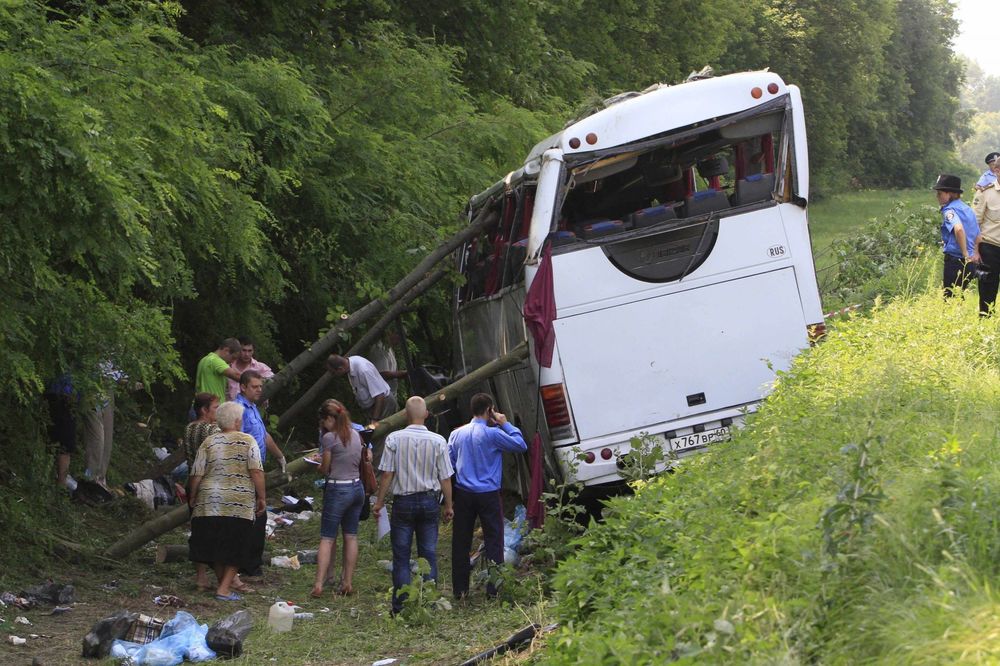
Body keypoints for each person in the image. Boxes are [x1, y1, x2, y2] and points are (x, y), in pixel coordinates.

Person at [373, 396, 454, 615]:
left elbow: (388, 473)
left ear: (406, 415)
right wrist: (448, 505)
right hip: (429, 500)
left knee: (400, 556)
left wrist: (379, 502)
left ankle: (400, 607)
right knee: (428, 553)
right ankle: (428, 603)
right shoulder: (438, 441)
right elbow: (445, 477)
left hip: (403, 502)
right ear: (426, 414)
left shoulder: (394, 439)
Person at [449, 393, 527, 599]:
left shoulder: (457, 434)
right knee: (494, 539)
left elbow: (449, 462)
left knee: (461, 541)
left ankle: (460, 590)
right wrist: (506, 423)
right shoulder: (493, 434)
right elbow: (520, 445)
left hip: (464, 493)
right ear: (490, 410)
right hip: (489, 494)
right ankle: (494, 589)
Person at [187, 401, 265, 601]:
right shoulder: (247, 441)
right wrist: (262, 496)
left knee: (216, 544)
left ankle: (222, 585)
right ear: (238, 421)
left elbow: (197, 473)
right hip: (237, 502)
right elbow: (256, 470)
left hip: (209, 501)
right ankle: (223, 590)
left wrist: (193, 495)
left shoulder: (209, 442)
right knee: (237, 545)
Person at [311, 399, 368, 598]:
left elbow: (326, 468)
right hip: (357, 488)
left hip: (338, 489)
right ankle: (347, 581)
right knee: (350, 536)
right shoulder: (356, 435)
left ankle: (319, 583)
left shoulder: (329, 438)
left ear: (329, 419)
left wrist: (318, 464)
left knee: (327, 537)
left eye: (323, 421)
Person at [235, 370, 286, 577]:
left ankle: (250, 563)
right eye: (254, 387)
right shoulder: (238, 410)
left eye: (260, 387)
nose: (259, 390)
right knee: (254, 516)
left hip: (258, 467)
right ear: (243, 387)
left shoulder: (253, 408)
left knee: (258, 517)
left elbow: (264, 436)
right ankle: (246, 564)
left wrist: (280, 456)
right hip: (245, 470)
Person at [932, 174, 979, 297]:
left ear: (949, 194)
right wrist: (973, 253)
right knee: (959, 296)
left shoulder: (949, 211)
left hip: (956, 260)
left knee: (949, 297)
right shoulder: (968, 209)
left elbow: (958, 230)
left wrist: (964, 254)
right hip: (971, 263)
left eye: (940, 193)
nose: (937, 197)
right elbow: (978, 235)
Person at [82, 361, 125, 490]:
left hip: (107, 389)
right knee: (97, 437)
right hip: (93, 386)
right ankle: (90, 478)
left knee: (106, 438)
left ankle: (100, 479)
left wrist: (123, 375)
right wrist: (119, 377)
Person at [325, 354, 395, 423]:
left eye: (333, 373)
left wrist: (375, 419)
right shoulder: (349, 366)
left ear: (340, 369)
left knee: (382, 432)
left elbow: (380, 395)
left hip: (383, 404)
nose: (333, 375)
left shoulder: (363, 370)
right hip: (373, 407)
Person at [974, 159, 1000, 315]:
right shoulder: (985, 193)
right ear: (996, 171)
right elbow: (974, 224)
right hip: (990, 248)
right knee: (987, 291)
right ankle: (985, 326)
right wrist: (975, 251)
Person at [44, 374, 78, 490]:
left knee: (59, 439)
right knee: (65, 443)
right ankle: (61, 484)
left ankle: (57, 480)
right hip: (64, 393)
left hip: (60, 392)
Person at [225, 337, 274, 402]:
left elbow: (273, 381)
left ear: (253, 351)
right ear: (238, 350)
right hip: (229, 408)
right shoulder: (228, 366)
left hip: (253, 407)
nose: (247, 354)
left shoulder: (260, 367)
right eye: (244, 350)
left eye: (250, 351)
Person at [194, 338, 243, 403]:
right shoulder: (215, 360)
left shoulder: (205, 359)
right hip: (208, 408)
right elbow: (237, 376)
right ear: (226, 350)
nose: (232, 361)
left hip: (201, 405)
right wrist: (253, 381)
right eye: (233, 358)